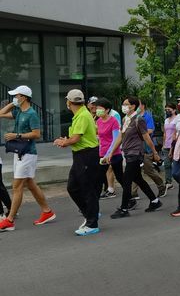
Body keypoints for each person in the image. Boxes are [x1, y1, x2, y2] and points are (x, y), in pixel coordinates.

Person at [0, 85, 55, 232]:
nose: (15, 98)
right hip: (19, 153)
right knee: (30, 184)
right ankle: (47, 211)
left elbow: (37, 134)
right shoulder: (18, 111)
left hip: (28, 153)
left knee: (17, 186)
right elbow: (0, 113)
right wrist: (13, 104)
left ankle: (9, 220)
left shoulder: (32, 114)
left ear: (23, 97)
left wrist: (16, 135)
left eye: (16, 96)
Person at [53, 89, 102, 236]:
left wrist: (64, 142)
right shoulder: (81, 114)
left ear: (69, 102)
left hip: (86, 155)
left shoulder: (82, 115)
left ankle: (92, 223)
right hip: (81, 155)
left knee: (87, 190)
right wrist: (66, 140)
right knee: (73, 187)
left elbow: (75, 139)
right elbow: (75, 137)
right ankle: (90, 214)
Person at [106, 96, 162, 218]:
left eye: (126, 104)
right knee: (138, 179)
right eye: (123, 104)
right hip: (127, 153)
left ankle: (124, 208)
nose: (124, 106)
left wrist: (155, 153)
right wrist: (111, 152)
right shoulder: (125, 119)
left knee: (127, 180)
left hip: (135, 154)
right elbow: (120, 137)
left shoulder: (139, 119)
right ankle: (155, 201)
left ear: (133, 106)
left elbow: (146, 137)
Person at [131, 101, 166, 199]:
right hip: (136, 148)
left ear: (143, 106)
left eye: (138, 105)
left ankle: (161, 186)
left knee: (148, 170)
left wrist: (139, 132)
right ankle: (133, 193)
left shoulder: (147, 116)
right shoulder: (132, 117)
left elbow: (150, 130)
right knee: (134, 170)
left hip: (146, 147)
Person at [95, 98, 120, 199]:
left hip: (113, 153)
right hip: (102, 151)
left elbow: (115, 139)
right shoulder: (99, 121)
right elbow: (99, 136)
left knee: (119, 176)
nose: (97, 110)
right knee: (100, 175)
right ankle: (92, 202)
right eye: (97, 108)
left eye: (100, 108)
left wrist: (108, 154)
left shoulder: (114, 120)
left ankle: (129, 197)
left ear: (107, 110)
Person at [162, 103, 178, 190]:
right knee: (167, 164)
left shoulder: (177, 119)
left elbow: (176, 134)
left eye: (169, 110)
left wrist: (172, 147)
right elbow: (165, 133)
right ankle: (168, 182)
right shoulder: (166, 120)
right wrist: (164, 144)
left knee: (176, 164)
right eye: (166, 110)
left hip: (175, 145)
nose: (167, 111)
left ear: (174, 110)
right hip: (166, 145)